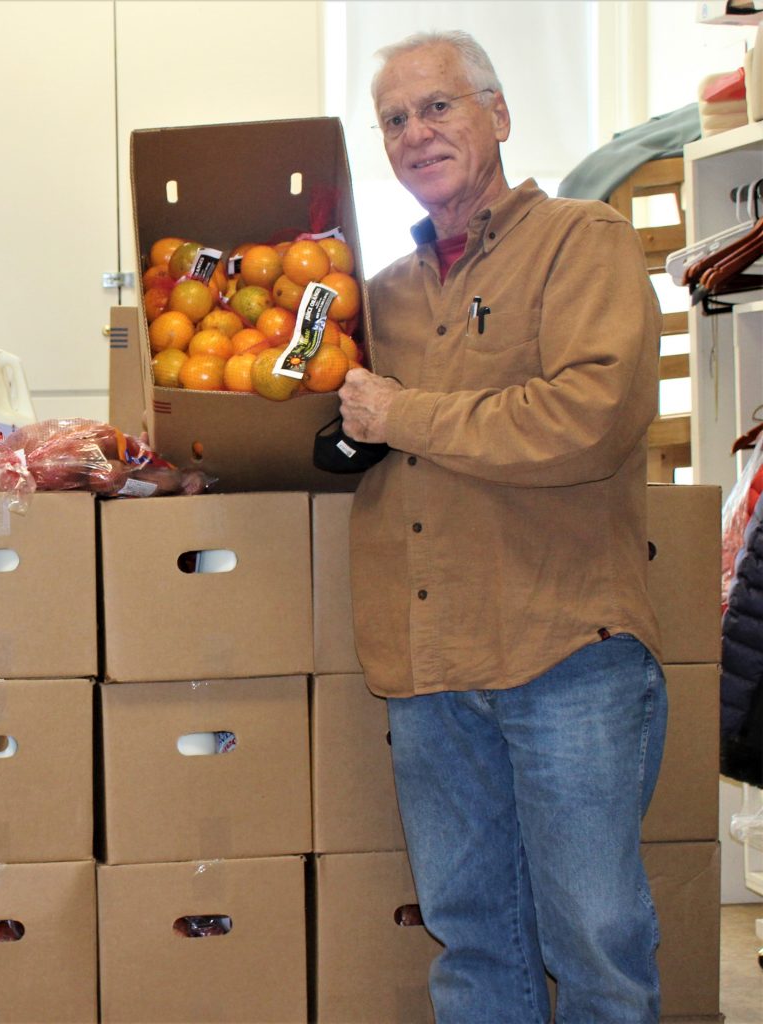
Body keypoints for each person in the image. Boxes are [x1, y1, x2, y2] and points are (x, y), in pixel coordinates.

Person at [337, 30, 666, 1021]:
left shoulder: (583, 242)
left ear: (499, 115)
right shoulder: (376, 298)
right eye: (394, 118)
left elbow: (591, 416)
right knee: (472, 936)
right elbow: (333, 435)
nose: (414, 132)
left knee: (596, 940)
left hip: (566, 649)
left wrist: (402, 415)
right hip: (428, 668)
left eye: (437, 106)